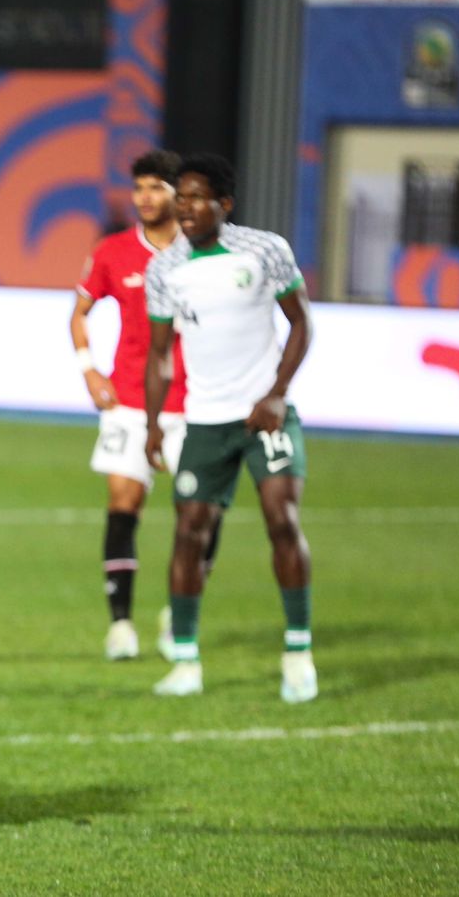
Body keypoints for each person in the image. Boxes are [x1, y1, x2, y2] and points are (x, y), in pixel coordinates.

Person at [144, 154, 316, 702]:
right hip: (205, 421)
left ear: (224, 204)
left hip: (266, 417)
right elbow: (160, 355)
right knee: (188, 534)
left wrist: (276, 394)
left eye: (196, 198)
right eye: (180, 198)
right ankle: (186, 662)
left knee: (282, 521)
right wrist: (153, 424)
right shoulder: (164, 269)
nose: (185, 207)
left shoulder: (264, 250)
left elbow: (301, 323)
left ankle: (298, 655)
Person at [71, 149, 221, 661]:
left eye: (157, 187)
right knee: (123, 501)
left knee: (201, 512)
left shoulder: (204, 253)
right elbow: (79, 313)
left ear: (179, 194)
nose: (145, 197)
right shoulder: (113, 252)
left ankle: (179, 612)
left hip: (194, 403)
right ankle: (120, 625)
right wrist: (90, 369)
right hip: (130, 400)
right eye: (139, 188)